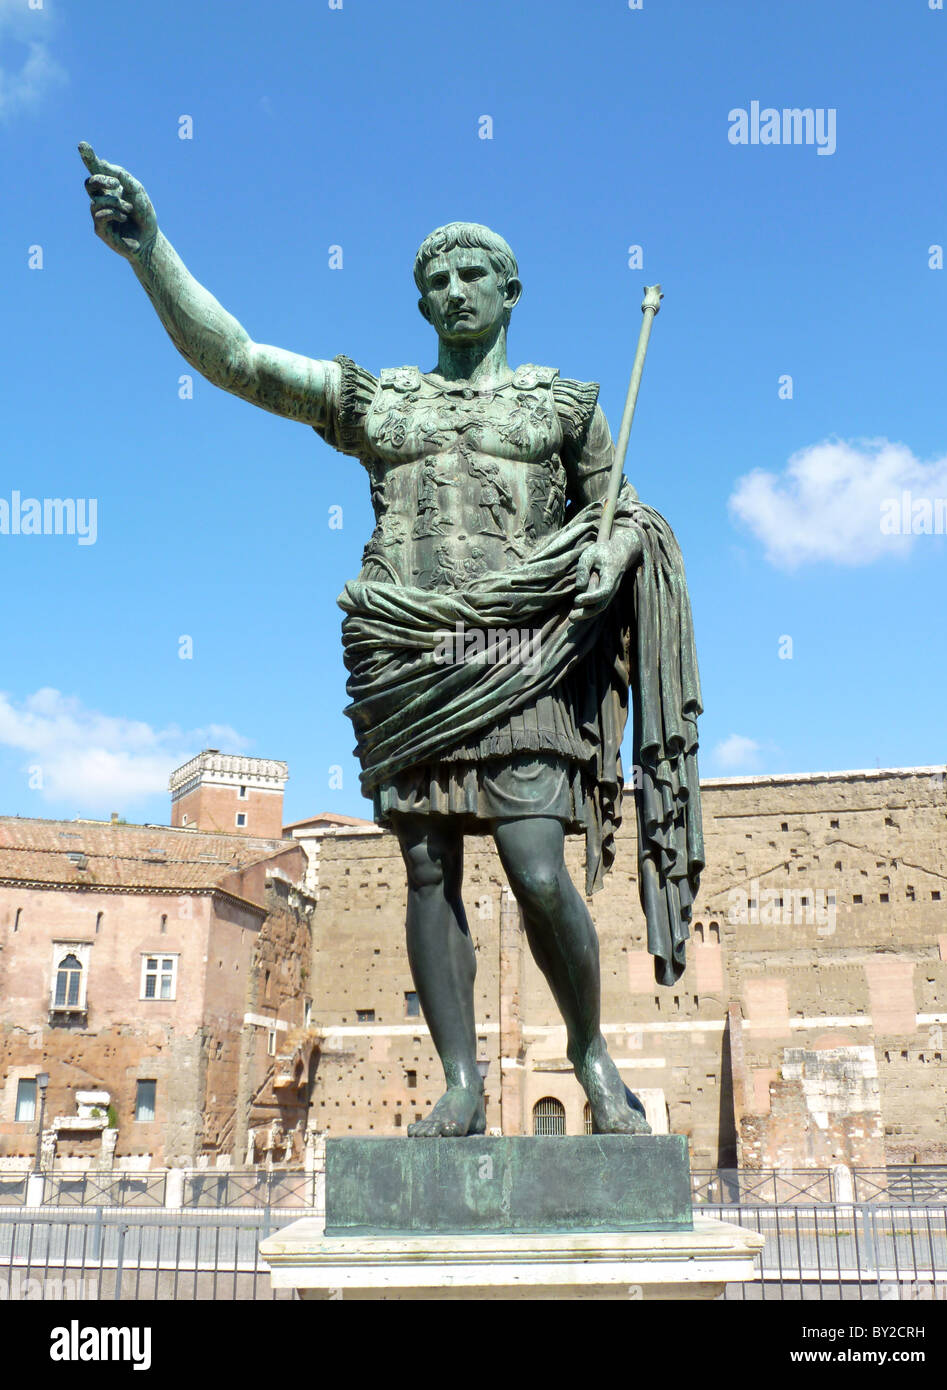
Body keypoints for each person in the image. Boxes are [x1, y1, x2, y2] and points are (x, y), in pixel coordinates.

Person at [80, 144, 704, 1137]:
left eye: (472, 275)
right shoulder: (385, 401)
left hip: (520, 656)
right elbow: (238, 360)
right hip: (408, 661)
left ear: (510, 291)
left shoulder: (563, 402)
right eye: (436, 280)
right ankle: (461, 1082)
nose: (454, 290)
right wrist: (150, 252)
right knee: (425, 869)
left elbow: (623, 513)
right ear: (422, 304)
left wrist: (611, 554)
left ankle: (588, 1049)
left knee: (538, 867)